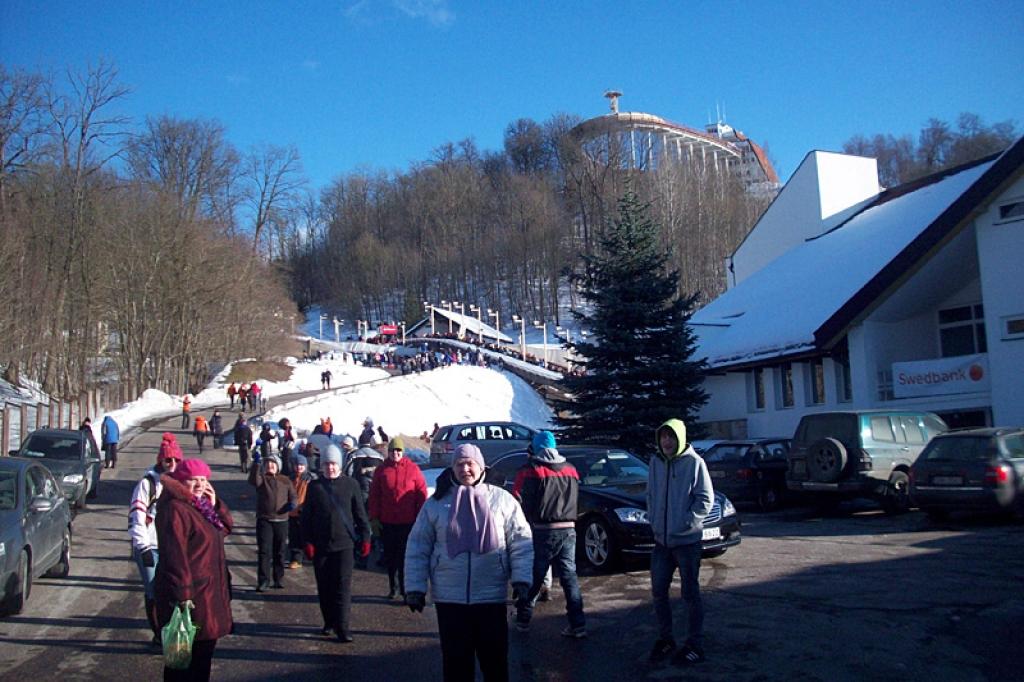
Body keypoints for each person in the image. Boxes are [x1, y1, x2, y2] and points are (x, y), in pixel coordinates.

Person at [404, 444, 533, 682]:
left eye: (470, 463)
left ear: (480, 465)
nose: (465, 469)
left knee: (494, 665)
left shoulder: (502, 500)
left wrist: (522, 579)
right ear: (453, 468)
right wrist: (415, 587)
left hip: (491, 597)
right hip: (450, 600)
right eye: (459, 464)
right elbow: (418, 546)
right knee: (456, 667)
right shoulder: (436, 503)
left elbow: (520, 542)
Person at [154, 458, 233, 682]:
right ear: (180, 481)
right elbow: (174, 557)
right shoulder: (176, 509)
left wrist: (215, 503)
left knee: (200, 660)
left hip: (208, 596)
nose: (199, 484)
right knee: (181, 664)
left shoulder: (200, 506)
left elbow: (224, 529)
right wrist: (183, 597)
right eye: (193, 480)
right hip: (191, 601)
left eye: (203, 479)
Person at [647, 418, 713, 665]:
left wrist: (686, 523)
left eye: (671, 436)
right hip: (662, 543)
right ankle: (666, 639)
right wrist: (654, 520)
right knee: (658, 592)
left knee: (690, 594)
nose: (666, 441)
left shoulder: (695, 463)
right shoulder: (655, 462)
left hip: (686, 543)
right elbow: (651, 495)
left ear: (680, 438)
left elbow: (705, 499)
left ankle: (694, 644)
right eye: (663, 436)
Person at [512, 431, 586, 637]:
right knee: (569, 578)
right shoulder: (571, 469)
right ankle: (578, 624)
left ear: (536, 448)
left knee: (535, 576)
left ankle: (523, 619)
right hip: (569, 529)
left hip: (543, 530)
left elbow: (522, 500)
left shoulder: (531, 470)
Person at [300, 444, 371, 643]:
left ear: (339, 465)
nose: (330, 468)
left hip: (344, 545)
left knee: (342, 586)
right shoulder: (315, 487)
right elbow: (306, 518)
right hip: (321, 546)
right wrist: (307, 542)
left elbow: (360, 514)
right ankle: (329, 621)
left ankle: (343, 626)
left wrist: (365, 537)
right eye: (326, 464)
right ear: (321, 466)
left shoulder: (351, 485)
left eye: (333, 464)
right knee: (324, 586)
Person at [129, 433, 182, 645]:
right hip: (150, 546)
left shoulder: (181, 483)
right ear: (160, 460)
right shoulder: (148, 483)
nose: (172, 464)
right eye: (168, 460)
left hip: (171, 546)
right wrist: (142, 547)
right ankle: (159, 635)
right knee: (153, 590)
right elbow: (137, 515)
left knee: (172, 591)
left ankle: (171, 631)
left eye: (176, 460)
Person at [368, 437, 427, 599]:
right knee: (390, 557)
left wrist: (420, 518)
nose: (395, 453)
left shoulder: (413, 469)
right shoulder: (381, 470)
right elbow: (374, 495)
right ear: (388, 452)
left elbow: (421, 494)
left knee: (405, 558)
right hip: (387, 522)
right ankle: (392, 588)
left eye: (398, 450)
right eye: (393, 450)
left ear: (403, 452)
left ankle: (404, 588)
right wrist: (374, 517)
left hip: (408, 522)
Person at [249, 452, 297, 591]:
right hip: (265, 519)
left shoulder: (285, 480)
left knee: (280, 551)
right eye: (268, 464)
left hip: (281, 520)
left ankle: (278, 579)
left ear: (278, 466)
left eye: (273, 464)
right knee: (264, 551)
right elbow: (253, 480)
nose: (270, 466)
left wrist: (292, 504)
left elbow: (293, 495)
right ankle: (263, 581)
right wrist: (256, 464)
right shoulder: (262, 480)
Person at [287, 453, 317, 569]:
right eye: (297, 465)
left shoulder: (310, 479)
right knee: (294, 537)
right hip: (292, 513)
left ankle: (310, 555)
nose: (299, 467)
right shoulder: (290, 479)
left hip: (306, 512)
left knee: (308, 535)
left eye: (301, 465)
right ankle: (296, 558)